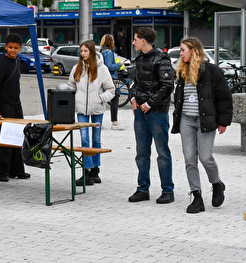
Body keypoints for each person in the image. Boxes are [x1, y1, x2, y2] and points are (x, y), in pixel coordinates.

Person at [172, 37, 233, 213]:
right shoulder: (182, 70)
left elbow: (224, 96)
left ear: (194, 51)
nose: (181, 53)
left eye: (183, 50)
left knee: (205, 157)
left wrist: (223, 121)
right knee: (189, 158)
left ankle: (217, 184)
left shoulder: (211, 71)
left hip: (205, 120)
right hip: (186, 120)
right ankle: (196, 195)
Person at [128, 27, 175, 204]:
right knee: (141, 153)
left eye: (135, 39)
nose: (133, 42)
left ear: (144, 41)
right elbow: (135, 83)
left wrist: (150, 103)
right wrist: (133, 97)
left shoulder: (161, 59)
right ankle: (142, 189)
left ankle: (167, 191)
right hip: (140, 112)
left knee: (162, 152)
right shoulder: (139, 59)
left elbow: (167, 85)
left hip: (156, 113)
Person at [66, 40, 115, 186]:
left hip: (97, 108)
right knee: (84, 139)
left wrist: (101, 99)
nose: (83, 53)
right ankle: (87, 171)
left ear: (92, 52)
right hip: (81, 109)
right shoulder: (77, 68)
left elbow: (111, 89)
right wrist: (70, 96)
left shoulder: (102, 69)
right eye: (81, 51)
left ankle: (95, 170)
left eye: (85, 51)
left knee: (96, 140)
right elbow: (71, 86)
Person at [0, 33, 30, 182]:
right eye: (10, 47)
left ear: (20, 48)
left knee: (18, 137)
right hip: (3, 106)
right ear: (6, 47)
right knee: (3, 139)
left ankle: (16, 170)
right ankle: (0, 172)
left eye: (16, 48)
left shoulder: (17, 62)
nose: (13, 50)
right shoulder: (0, 62)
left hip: (16, 104)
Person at [100, 34, 124, 131]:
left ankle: (99, 122)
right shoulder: (109, 52)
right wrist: (119, 64)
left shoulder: (102, 51)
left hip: (102, 78)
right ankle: (114, 123)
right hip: (109, 78)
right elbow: (109, 66)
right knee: (115, 98)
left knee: (103, 99)